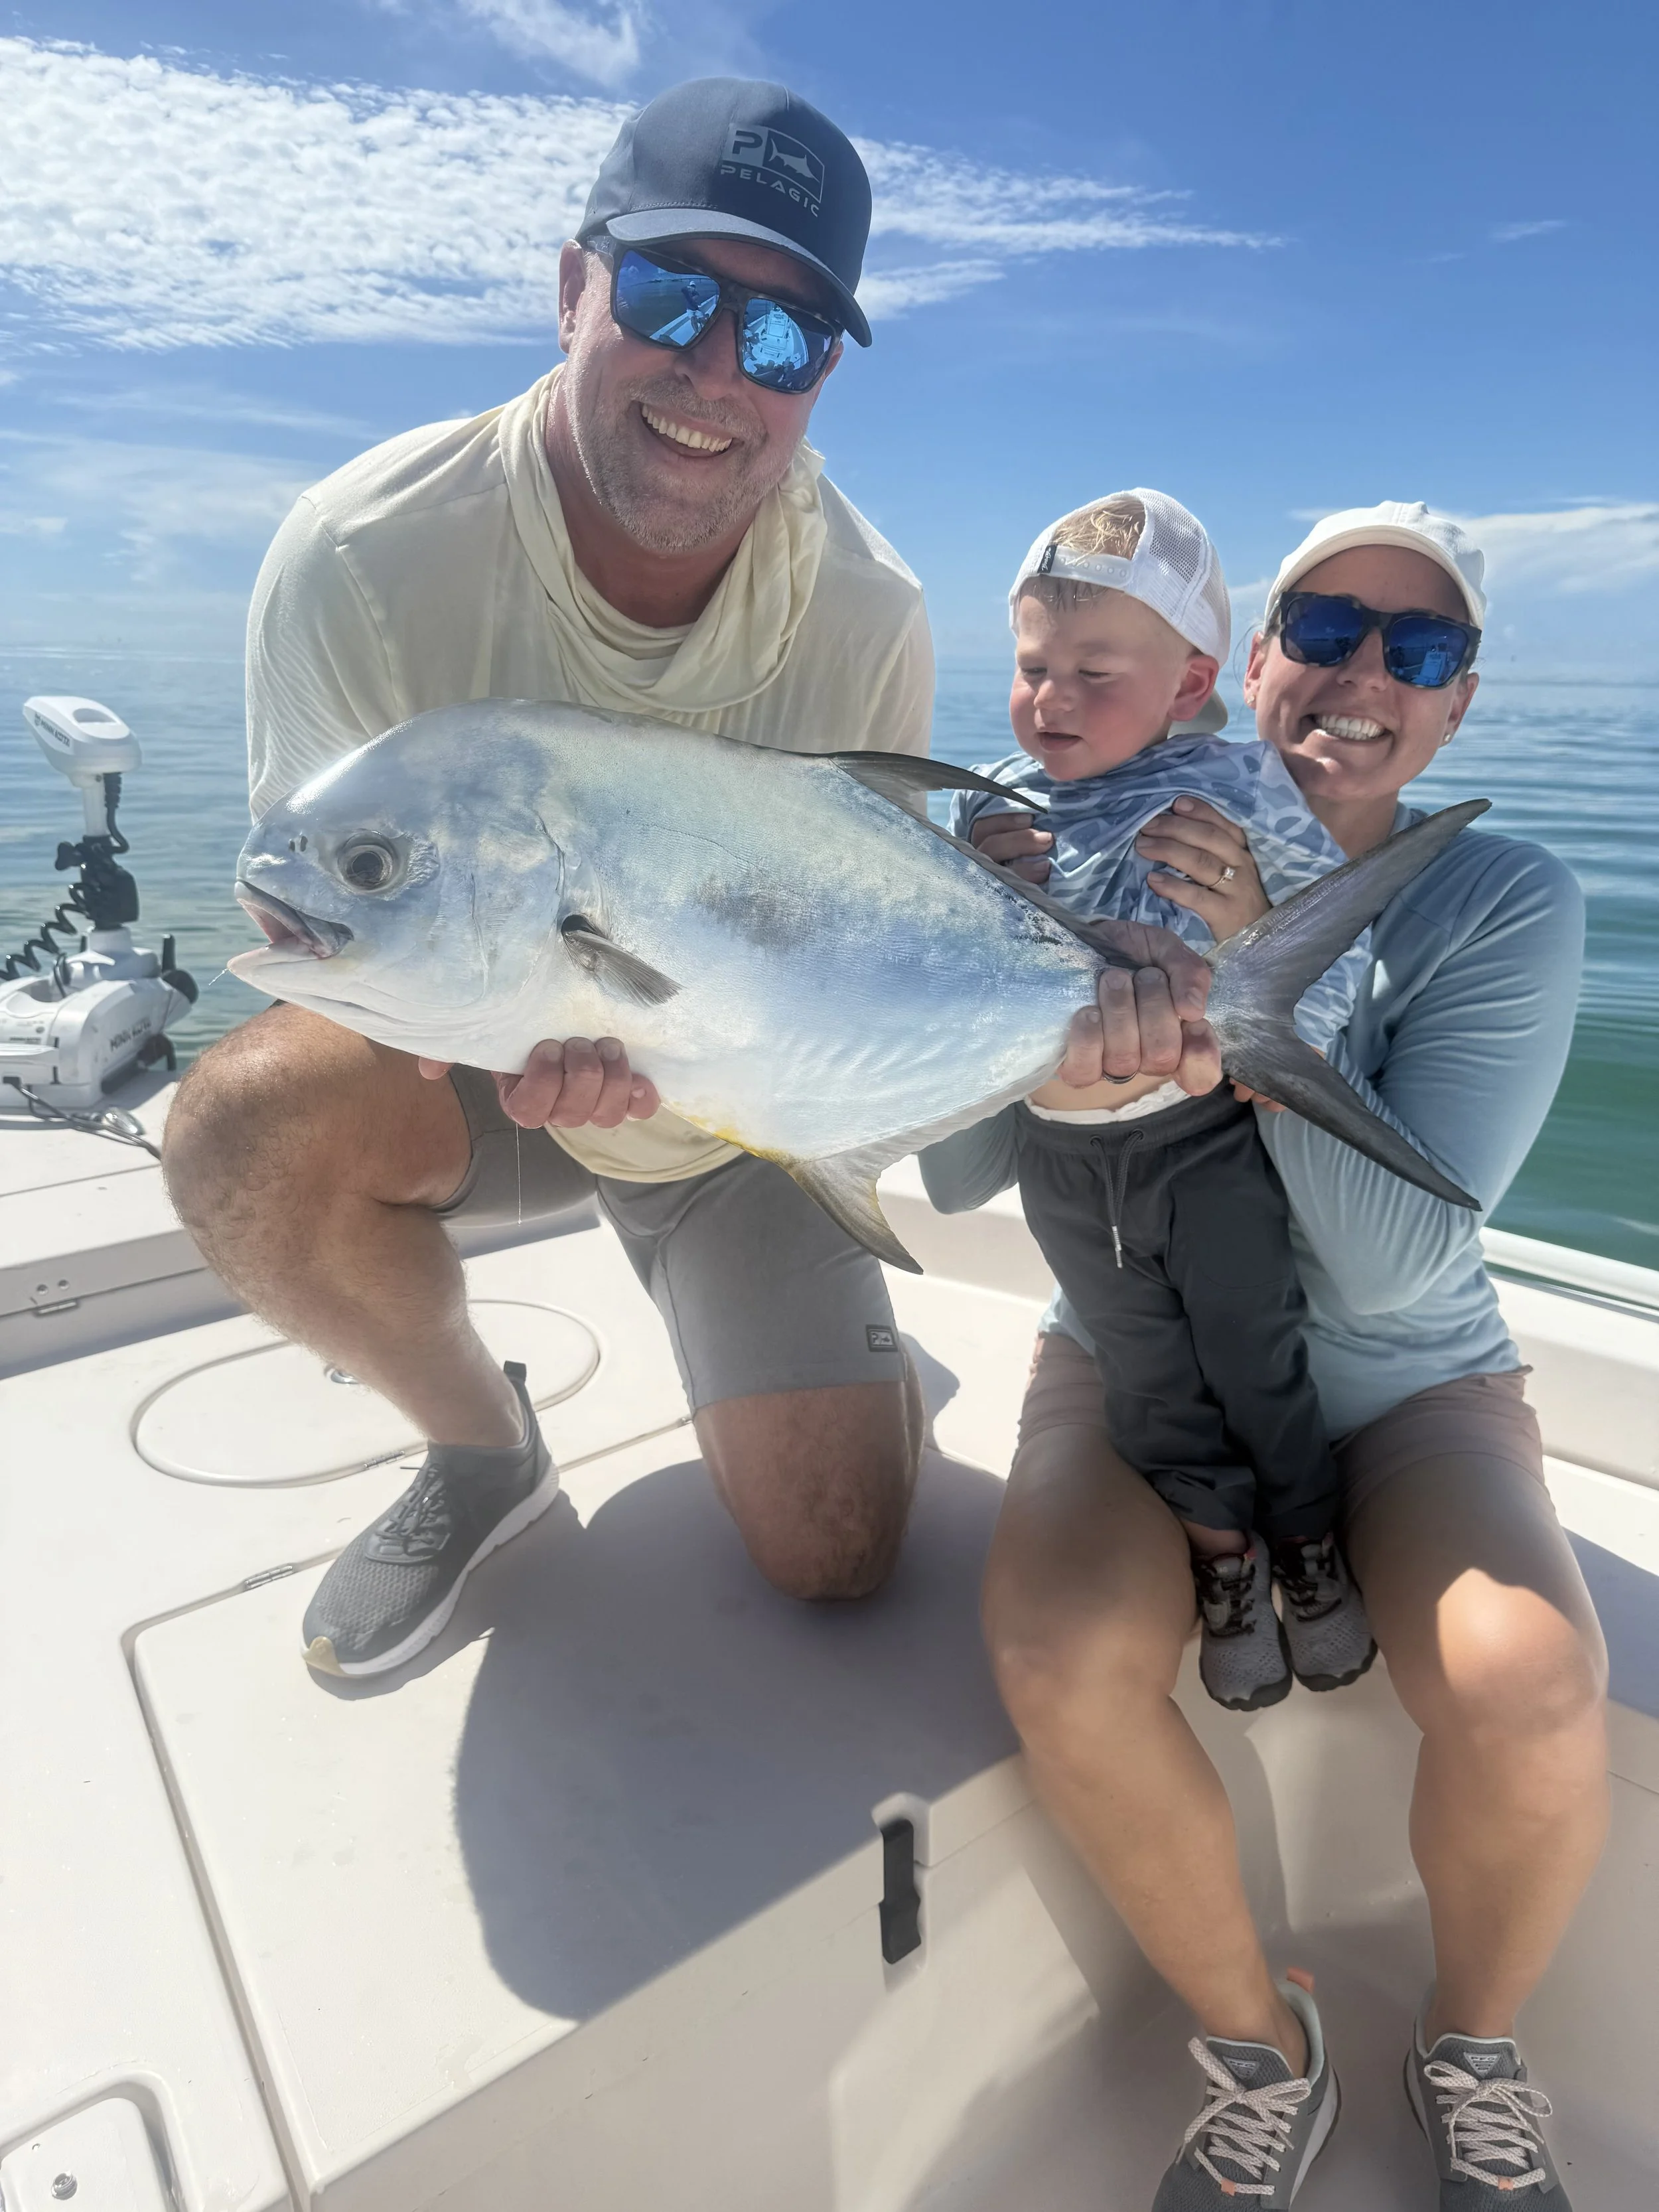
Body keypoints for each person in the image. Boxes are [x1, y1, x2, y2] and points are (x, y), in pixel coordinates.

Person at [162, 76, 1215, 1680]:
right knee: (236, 1128)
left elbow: (861, 957)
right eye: (670, 292)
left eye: (786, 337)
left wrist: (1074, 1043)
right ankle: (476, 1448)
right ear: (573, 282)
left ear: (822, 377)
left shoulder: (864, 610)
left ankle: (800, 1334)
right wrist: (517, 1016)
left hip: (753, 1103)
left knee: (840, 1555)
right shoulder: (363, 556)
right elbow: (325, 923)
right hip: (468, 1069)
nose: (719, 369)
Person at [924, 502, 1600, 2209]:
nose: (1365, 673)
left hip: (1405, 1375)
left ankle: (1467, 2050)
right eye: (1325, 623)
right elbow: (953, 1173)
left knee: (1528, 1680)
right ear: (1249, 662)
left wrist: (1236, 1004)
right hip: (1135, 1347)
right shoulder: (1078, 830)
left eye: (1420, 649)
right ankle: (1261, 2044)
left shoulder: (1497, 895)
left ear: (1455, 703)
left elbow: (1398, 1252)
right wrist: (974, 961)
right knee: (1059, 1648)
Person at [938, 487, 1376, 1714]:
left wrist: (1278, 1044)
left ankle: (1304, 1540)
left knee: (1256, 1353)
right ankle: (1222, 1560)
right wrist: (967, 886)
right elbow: (927, 959)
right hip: (1057, 1159)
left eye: (1094, 669)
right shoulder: (981, 801)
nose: (1050, 699)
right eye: (1032, 666)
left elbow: (1328, 951)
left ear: (1190, 686)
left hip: (1200, 1142)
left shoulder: (1243, 787)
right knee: (1143, 1376)